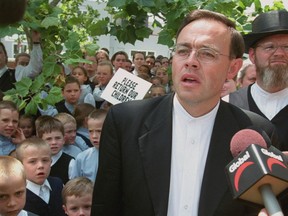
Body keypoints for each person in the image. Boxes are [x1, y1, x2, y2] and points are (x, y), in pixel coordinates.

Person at [91, 9, 282, 216]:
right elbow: (105, 206)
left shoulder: (256, 133)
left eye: (207, 53)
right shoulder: (125, 121)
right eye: (183, 51)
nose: (190, 61)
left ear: (233, 68)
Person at [229, 10, 288, 151]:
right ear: (252, 55)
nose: (279, 53)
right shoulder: (228, 104)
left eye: (287, 47)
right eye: (269, 47)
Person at [16, 137, 66, 216]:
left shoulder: (58, 184)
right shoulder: (17, 193)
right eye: (32, 161)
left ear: (51, 162)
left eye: (45, 160)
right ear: (20, 165)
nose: (40, 166)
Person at [69, 109, 107, 182]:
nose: (94, 136)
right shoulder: (82, 158)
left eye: (99, 131)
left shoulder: (121, 156)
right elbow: (75, 185)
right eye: (90, 131)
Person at [37, 117, 74, 184]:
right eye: (48, 139)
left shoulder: (70, 163)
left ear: (64, 139)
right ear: (40, 141)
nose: (54, 142)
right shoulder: (36, 161)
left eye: (58, 138)